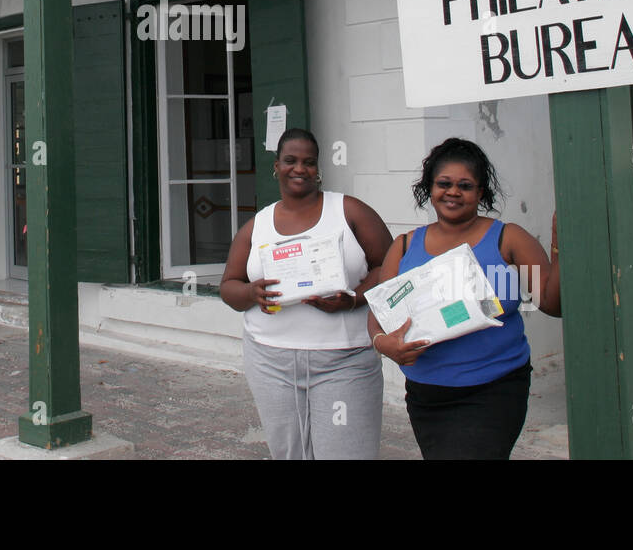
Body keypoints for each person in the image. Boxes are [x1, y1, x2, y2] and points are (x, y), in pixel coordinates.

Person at [367, 137, 560, 459]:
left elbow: (552, 304)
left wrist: (559, 246)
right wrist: (381, 343)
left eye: (465, 185)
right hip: (425, 393)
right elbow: (379, 314)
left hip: (493, 389)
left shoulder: (507, 238)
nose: (453, 192)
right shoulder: (404, 246)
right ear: (430, 187)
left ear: (480, 192)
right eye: (444, 183)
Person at [221, 127, 393, 460]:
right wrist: (252, 294)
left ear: (318, 168)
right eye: (290, 160)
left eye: (308, 162)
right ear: (276, 166)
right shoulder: (258, 224)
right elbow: (229, 286)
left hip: (344, 359)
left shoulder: (349, 211)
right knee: (290, 454)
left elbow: (390, 266)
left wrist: (354, 298)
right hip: (270, 360)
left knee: (347, 452)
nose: (299, 169)